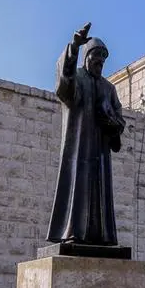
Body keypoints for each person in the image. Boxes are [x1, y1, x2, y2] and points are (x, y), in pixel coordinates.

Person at [47, 22, 126, 246]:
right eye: (96, 56)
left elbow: (120, 120)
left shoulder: (109, 88)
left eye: (103, 58)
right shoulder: (78, 78)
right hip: (79, 146)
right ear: (86, 57)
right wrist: (73, 47)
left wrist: (110, 120)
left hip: (100, 151)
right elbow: (65, 85)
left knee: (99, 192)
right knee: (77, 185)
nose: (100, 61)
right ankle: (72, 232)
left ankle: (101, 237)